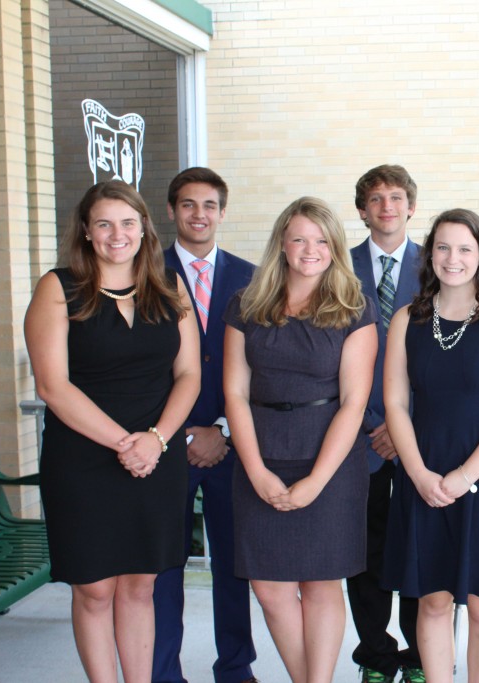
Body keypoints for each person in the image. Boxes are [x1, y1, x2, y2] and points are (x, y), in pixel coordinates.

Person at [24, 180, 201, 683]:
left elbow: (189, 375)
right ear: (86, 231)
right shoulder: (58, 288)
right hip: (82, 460)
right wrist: (126, 443)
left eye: (127, 222)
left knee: (141, 585)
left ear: (145, 227)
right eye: (103, 223)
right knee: (95, 589)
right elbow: (52, 385)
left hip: (158, 456)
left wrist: (158, 440)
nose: (116, 234)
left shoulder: (169, 285)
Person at [382, 209, 479, 683]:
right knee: (431, 599)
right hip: (423, 472)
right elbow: (394, 403)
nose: (454, 258)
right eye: (444, 247)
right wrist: (418, 474)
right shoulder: (406, 320)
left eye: (465, 248)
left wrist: (465, 476)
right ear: (430, 254)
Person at [223, 197, 377, 683]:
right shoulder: (246, 304)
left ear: (334, 247)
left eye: (321, 240)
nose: (310, 249)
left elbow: (354, 403)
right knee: (269, 588)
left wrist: (315, 481)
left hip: (328, 458)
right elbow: (234, 392)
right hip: (260, 451)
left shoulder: (355, 307)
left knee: (320, 584)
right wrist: (256, 470)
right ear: (282, 246)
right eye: (299, 238)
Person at [154, 167, 258, 683]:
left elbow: (261, 364)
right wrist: (180, 431)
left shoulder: (254, 276)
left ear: (222, 212)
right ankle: (162, 670)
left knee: (233, 565)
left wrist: (222, 427)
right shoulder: (144, 270)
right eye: (189, 205)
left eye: (210, 205)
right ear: (171, 211)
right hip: (164, 441)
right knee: (164, 565)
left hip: (232, 441)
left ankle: (235, 667)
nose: (200, 215)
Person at [347, 165, 425, 683]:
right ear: (362, 210)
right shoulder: (338, 263)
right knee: (365, 552)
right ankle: (376, 655)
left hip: (420, 436)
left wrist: (402, 426)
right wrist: (371, 425)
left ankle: (422, 656)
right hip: (356, 437)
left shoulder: (440, 262)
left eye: (396, 197)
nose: (387, 206)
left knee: (421, 546)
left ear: (411, 206)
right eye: (376, 199)